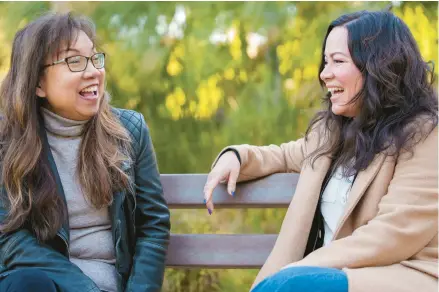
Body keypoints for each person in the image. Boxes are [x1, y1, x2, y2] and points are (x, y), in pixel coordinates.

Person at [204, 10, 438, 292]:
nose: (324, 74)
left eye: (338, 61)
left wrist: (304, 267)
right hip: (319, 277)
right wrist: (237, 156)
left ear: (378, 66)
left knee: (291, 286)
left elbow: (394, 232)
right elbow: (282, 155)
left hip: (393, 277)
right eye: (325, 62)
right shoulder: (331, 134)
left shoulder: (425, 134)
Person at [0, 12, 170, 292]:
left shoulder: (129, 131)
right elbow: (11, 239)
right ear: (37, 83)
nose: (93, 71)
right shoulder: (8, 143)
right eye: (74, 61)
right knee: (26, 283)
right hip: (50, 286)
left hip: (115, 286)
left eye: (94, 58)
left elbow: (152, 227)